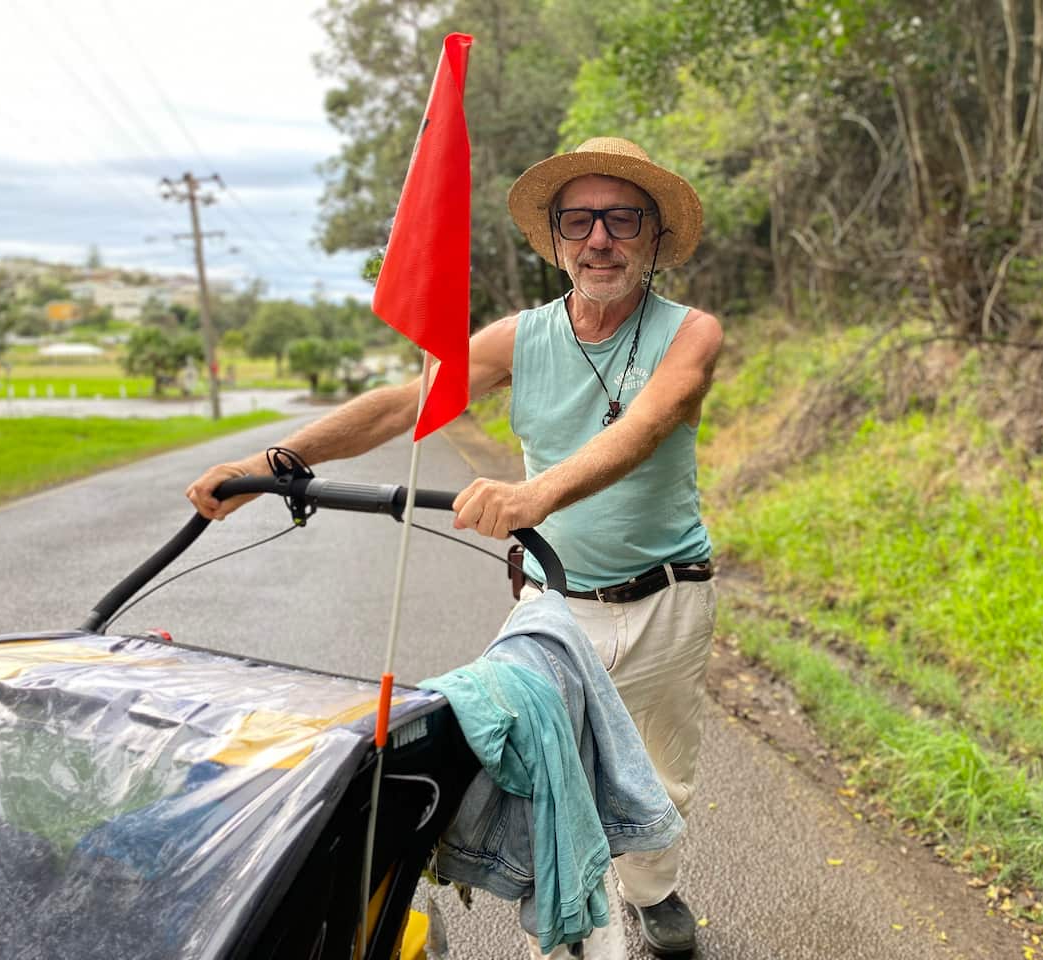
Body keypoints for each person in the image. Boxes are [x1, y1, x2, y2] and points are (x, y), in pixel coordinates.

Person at [185, 136, 723, 958]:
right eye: (579, 221)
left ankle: (653, 891)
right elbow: (407, 404)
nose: (599, 239)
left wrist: (531, 493)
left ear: (653, 238)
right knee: (535, 763)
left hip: (669, 598)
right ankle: (573, 918)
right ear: (557, 240)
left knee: (661, 776)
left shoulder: (691, 333)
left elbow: (651, 425)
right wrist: (273, 463)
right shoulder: (523, 337)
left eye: (622, 219)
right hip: (555, 602)